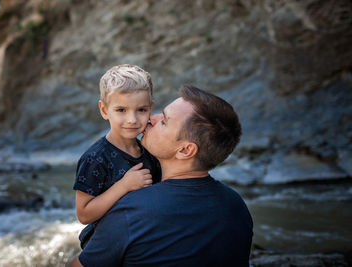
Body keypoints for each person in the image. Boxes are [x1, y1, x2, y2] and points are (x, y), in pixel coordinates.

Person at [70, 84, 253, 267]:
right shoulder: (237, 206)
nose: (150, 118)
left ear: (185, 150)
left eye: (164, 121)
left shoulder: (132, 211)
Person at [72, 64, 161, 248]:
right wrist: (123, 186)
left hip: (144, 237)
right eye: (121, 110)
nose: (132, 119)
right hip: (108, 245)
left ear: (150, 108)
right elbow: (84, 214)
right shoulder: (95, 158)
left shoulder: (151, 150)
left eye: (141, 110)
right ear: (104, 110)